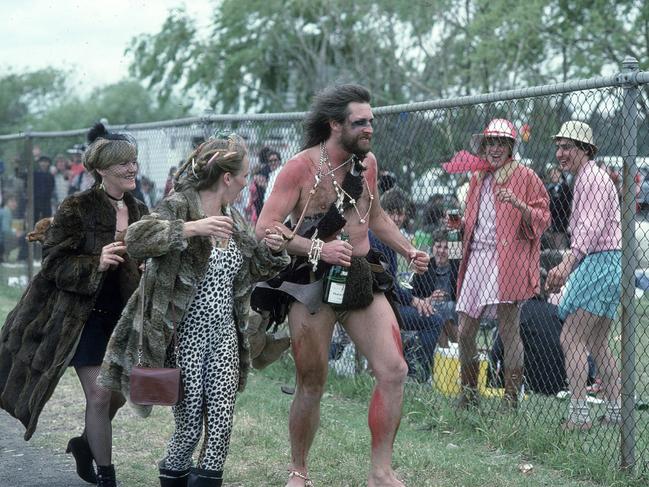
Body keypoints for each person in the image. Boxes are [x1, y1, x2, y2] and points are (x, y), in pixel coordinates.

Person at [255, 83, 429, 487]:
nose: (369, 127)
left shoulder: (367, 165)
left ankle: (380, 472)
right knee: (311, 382)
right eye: (360, 122)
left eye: (371, 120)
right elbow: (266, 229)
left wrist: (407, 250)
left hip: (361, 276)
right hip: (310, 283)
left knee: (394, 370)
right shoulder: (299, 168)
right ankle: (299, 471)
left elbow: (375, 216)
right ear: (335, 124)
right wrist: (317, 246)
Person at [98, 133, 289, 487]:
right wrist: (191, 228)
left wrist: (274, 249)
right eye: (245, 176)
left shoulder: (234, 219)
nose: (248, 182)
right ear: (227, 177)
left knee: (220, 425)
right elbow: (136, 240)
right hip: (184, 334)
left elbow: (251, 270)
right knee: (188, 429)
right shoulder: (180, 205)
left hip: (225, 336)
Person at [0, 122, 148, 487]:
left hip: (123, 316)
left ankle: (86, 444)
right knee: (99, 394)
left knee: (118, 394)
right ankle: (107, 476)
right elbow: (53, 263)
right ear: (101, 170)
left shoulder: (140, 209)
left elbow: (151, 256)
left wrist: (146, 265)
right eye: (122, 164)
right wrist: (94, 262)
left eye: (133, 162)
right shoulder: (77, 207)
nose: (131, 169)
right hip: (81, 317)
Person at [455, 118, 550, 410]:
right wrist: (461, 224)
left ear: (510, 147)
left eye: (502, 143)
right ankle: (469, 394)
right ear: (483, 145)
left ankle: (510, 401)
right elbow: (477, 219)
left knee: (509, 329)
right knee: (464, 331)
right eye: (491, 142)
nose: (495, 148)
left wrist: (519, 205)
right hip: (477, 258)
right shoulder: (477, 177)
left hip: (506, 259)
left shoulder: (525, 176)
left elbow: (543, 217)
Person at [546, 121, 622, 430]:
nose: (560, 153)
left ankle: (578, 416)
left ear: (585, 150)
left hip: (599, 260)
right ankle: (618, 412)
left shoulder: (590, 178)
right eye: (559, 146)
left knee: (572, 337)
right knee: (598, 340)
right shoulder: (591, 176)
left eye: (567, 147)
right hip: (611, 261)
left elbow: (588, 230)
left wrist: (566, 264)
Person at [369, 187, 443, 383]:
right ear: (382, 212)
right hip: (379, 305)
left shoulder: (384, 235)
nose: (396, 217)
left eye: (400, 213)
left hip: (384, 300)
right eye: (391, 212)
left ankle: (411, 364)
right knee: (434, 319)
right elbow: (386, 282)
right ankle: (418, 374)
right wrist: (413, 300)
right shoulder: (379, 237)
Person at [412, 228, 460, 348]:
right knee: (437, 311)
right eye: (438, 246)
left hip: (455, 311)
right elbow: (413, 294)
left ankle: (447, 351)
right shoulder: (425, 266)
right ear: (432, 248)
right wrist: (429, 299)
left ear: (452, 250)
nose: (442, 251)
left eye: (446, 248)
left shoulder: (456, 266)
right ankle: (450, 352)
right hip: (430, 309)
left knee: (447, 307)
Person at [544, 166, 572, 250]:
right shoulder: (550, 189)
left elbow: (567, 206)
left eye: (555, 173)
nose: (553, 175)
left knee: (560, 246)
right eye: (551, 174)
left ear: (560, 174)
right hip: (552, 222)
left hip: (562, 222)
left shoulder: (566, 188)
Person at [34, 155, 55, 221]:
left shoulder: (50, 176)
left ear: (48, 163)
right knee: (35, 220)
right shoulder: (34, 174)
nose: (43, 164)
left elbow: (51, 188)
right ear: (39, 163)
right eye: (42, 162)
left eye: (45, 162)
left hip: (46, 202)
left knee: (46, 221)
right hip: (35, 201)